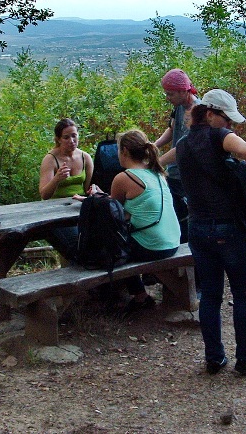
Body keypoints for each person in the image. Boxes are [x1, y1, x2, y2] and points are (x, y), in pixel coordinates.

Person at [175, 89, 246, 376]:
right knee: (243, 294)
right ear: (212, 114)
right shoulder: (220, 137)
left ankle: (214, 359)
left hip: (198, 229)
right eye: (228, 120)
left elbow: (162, 159)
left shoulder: (183, 143)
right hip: (229, 228)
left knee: (212, 297)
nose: (232, 127)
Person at [88, 130, 181, 313]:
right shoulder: (158, 173)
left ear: (124, 152)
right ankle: (135, 294)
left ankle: (138, 296)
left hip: (152, 246)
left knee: (113, 243)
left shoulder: (124, 177)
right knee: (125, 239)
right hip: (173, 241)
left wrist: (96, 197)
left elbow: (112, 215)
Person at [153, 69, 200, 242]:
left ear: (183, 91)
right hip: (174, 174)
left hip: (186, 176)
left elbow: (183, 147)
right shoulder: (179, 107)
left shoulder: (196, 113)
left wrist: (157, 163)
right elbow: (172, 129)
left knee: (183, 219)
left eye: (170, 94)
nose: (168, 98)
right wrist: (154, 145)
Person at [39, 118, 94, 262]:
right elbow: (44, 194)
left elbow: (87, 189)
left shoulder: (85, 157)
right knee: (76, 246)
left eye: (74, 135)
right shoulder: (50, 159)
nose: (71, 140)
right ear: (58, 139)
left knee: (96, 240)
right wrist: (57, 179)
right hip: (55, 211)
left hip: (78, 208)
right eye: (66, 137)